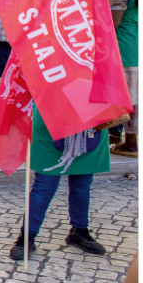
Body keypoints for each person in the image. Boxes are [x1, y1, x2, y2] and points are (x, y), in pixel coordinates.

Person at [7, 104, 110, 260]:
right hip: (52, 117)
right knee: (44, 186)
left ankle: (79, 231)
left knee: (82, 184)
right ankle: (26, 238)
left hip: (90, 120)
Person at [107, 0, 138, 156]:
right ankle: (129, 139)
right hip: (136, 43)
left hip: (122, 46)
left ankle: (128, 142)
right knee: (135, 97)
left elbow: (113, 22)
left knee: (123, 96)